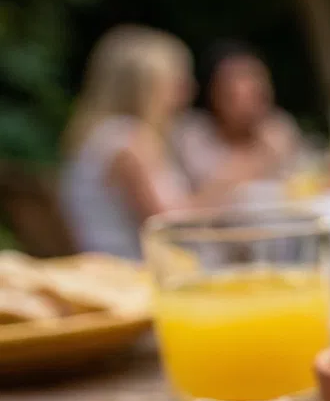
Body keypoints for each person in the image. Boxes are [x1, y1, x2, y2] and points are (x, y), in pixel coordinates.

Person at [59, 26, 265, 259]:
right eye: (176, 82)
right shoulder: (130, 143)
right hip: (138, 275)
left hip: (116, 270)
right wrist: (233, 174)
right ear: (147, 88)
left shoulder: (103, 136)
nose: (189, 91)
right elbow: (171, 229)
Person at [174, 41, 300, 192]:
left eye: (258, 94)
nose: (255, 91)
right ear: (214, 94)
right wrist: (263, 156)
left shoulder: (279, 125)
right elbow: (202, 193)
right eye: (236, 93)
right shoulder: (193, 135)